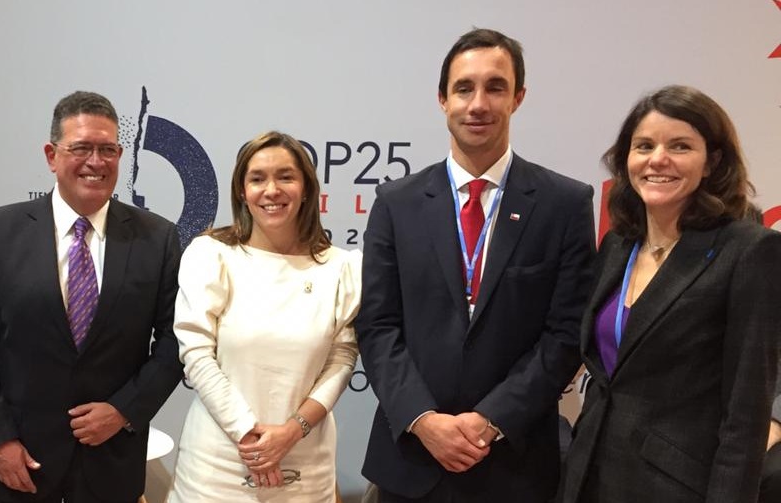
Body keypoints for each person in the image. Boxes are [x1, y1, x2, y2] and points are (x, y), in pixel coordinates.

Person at [355, 28, 595, 502]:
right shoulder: (396, 203)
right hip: (411, 461)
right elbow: (378, 326)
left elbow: (566, 335)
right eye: (464, 88)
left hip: (515, 464)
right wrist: (423, 420)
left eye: (495, 87)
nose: (478, 103)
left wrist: (492, 420)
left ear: (518, 98)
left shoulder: (564, 203)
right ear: (442, 99)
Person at [0, 91, 184, 502]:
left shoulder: (158, 238)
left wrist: (124, 410)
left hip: (111, 460)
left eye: (108, 149)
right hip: (21, 462)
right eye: (80, 148)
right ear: (51, 155)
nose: (96, 161)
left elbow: (173, 342)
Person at [559, 85, 781, 503]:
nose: (658, 159)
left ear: (712, 162)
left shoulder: (748, 250)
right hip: (588, 474)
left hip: (676, 486)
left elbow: (746, 413)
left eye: (680, 146)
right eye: (644, 145)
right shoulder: (618, 245)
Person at [166, 131, 361, 501]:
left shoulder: (344, 267)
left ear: (306, 188)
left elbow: (342, 358)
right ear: (242, 191)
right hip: (219, 464)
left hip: (306, 464)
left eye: (286, 176)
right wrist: (251, 437)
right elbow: (195, 353)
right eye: (257, 178)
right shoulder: (210, 255)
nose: (271, 190)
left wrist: (292, 431)